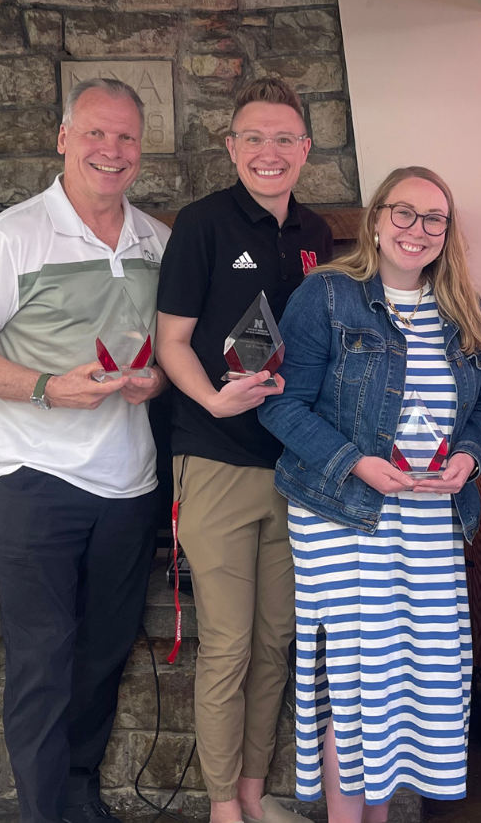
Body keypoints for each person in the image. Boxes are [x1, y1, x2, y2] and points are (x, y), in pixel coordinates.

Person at [0, 77, 168, 823]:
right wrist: (43, 387)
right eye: (96, 134)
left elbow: (173, 354)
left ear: (141, 149)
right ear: (63, 138)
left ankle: (76, 790)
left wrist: (155, 378)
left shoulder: (158, 241)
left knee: (102, 656)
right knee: (40, 661)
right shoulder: (9, 237)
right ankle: (41, 811)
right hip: (35, 481)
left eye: (126, 137)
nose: (111, 149)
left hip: (130, 482)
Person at [258, 166, 481, 823]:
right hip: (343, 517)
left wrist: (471, 458)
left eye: (433, 219)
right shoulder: (326, 296)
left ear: (447, 233)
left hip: (429, 523)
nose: (417, 230)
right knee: (356, 684)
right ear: (375, 219)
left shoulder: (463, 308)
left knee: (409, 683)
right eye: (404, 213)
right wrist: (356, 463)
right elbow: (280, 407)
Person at [154, 78, 333, 823]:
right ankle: (223, 806)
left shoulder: (319, 235)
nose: (269, 152)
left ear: (305, 149)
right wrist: (212, 398)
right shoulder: (201, 226)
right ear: (232, 148)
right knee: (227, 644)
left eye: (284, 138)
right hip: (217, 459)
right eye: (253, 138)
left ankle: (255, 797)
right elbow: (169, 342)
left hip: (296, 471)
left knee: (274, 643)